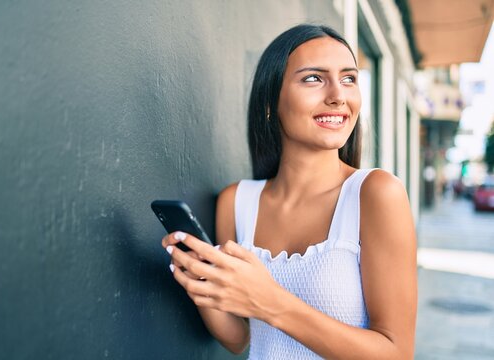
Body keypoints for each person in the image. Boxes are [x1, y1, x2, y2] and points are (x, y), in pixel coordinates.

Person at [162, 24, 417, 359]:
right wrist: (199, 282)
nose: (338, 95)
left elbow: (396, 354)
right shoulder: (236, 202)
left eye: (349, 78)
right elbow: (240, 338)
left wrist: (272, 303)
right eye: (314, 78)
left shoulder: (375, 194)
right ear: (270, 103)